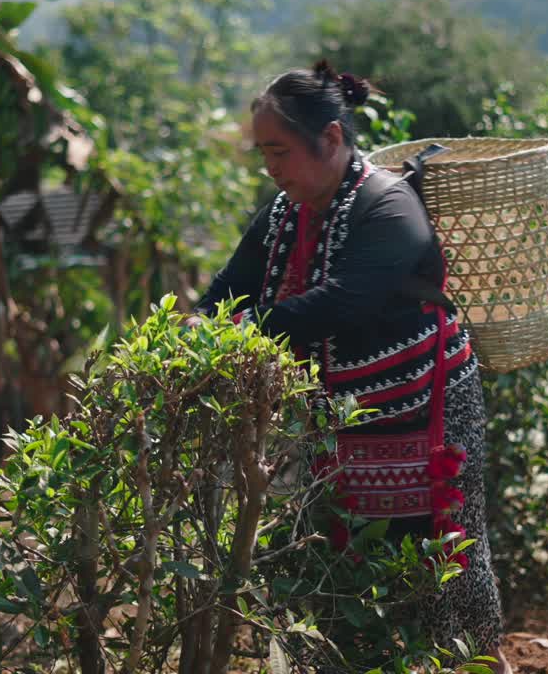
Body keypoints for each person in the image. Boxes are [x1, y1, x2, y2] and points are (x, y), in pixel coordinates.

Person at [188, 61, 509, 672]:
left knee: (442, 567)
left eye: (279, 152)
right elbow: (231, 285)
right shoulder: (284, 212)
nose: (270, 169)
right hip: (340, 428)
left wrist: (242, 334)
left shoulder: (389, 208)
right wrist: (204, 326)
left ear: (331, 139)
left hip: (425, 418)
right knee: (338, 572)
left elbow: (341, 303)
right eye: (263, 154)